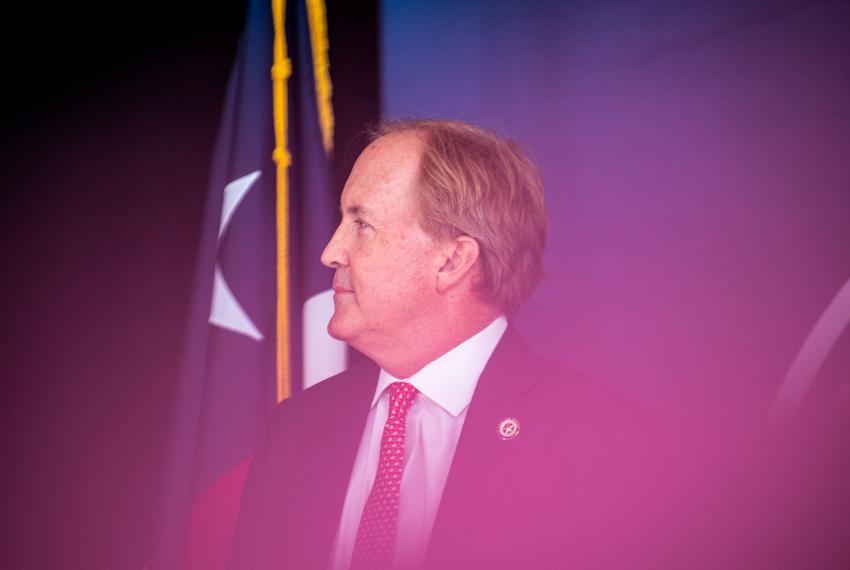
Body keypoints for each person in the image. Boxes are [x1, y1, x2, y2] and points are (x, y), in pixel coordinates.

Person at [228, 119, 675, 569]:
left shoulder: (607, 448)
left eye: (361, 224)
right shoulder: (294, 430)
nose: (331, 251)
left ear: (453, 261)